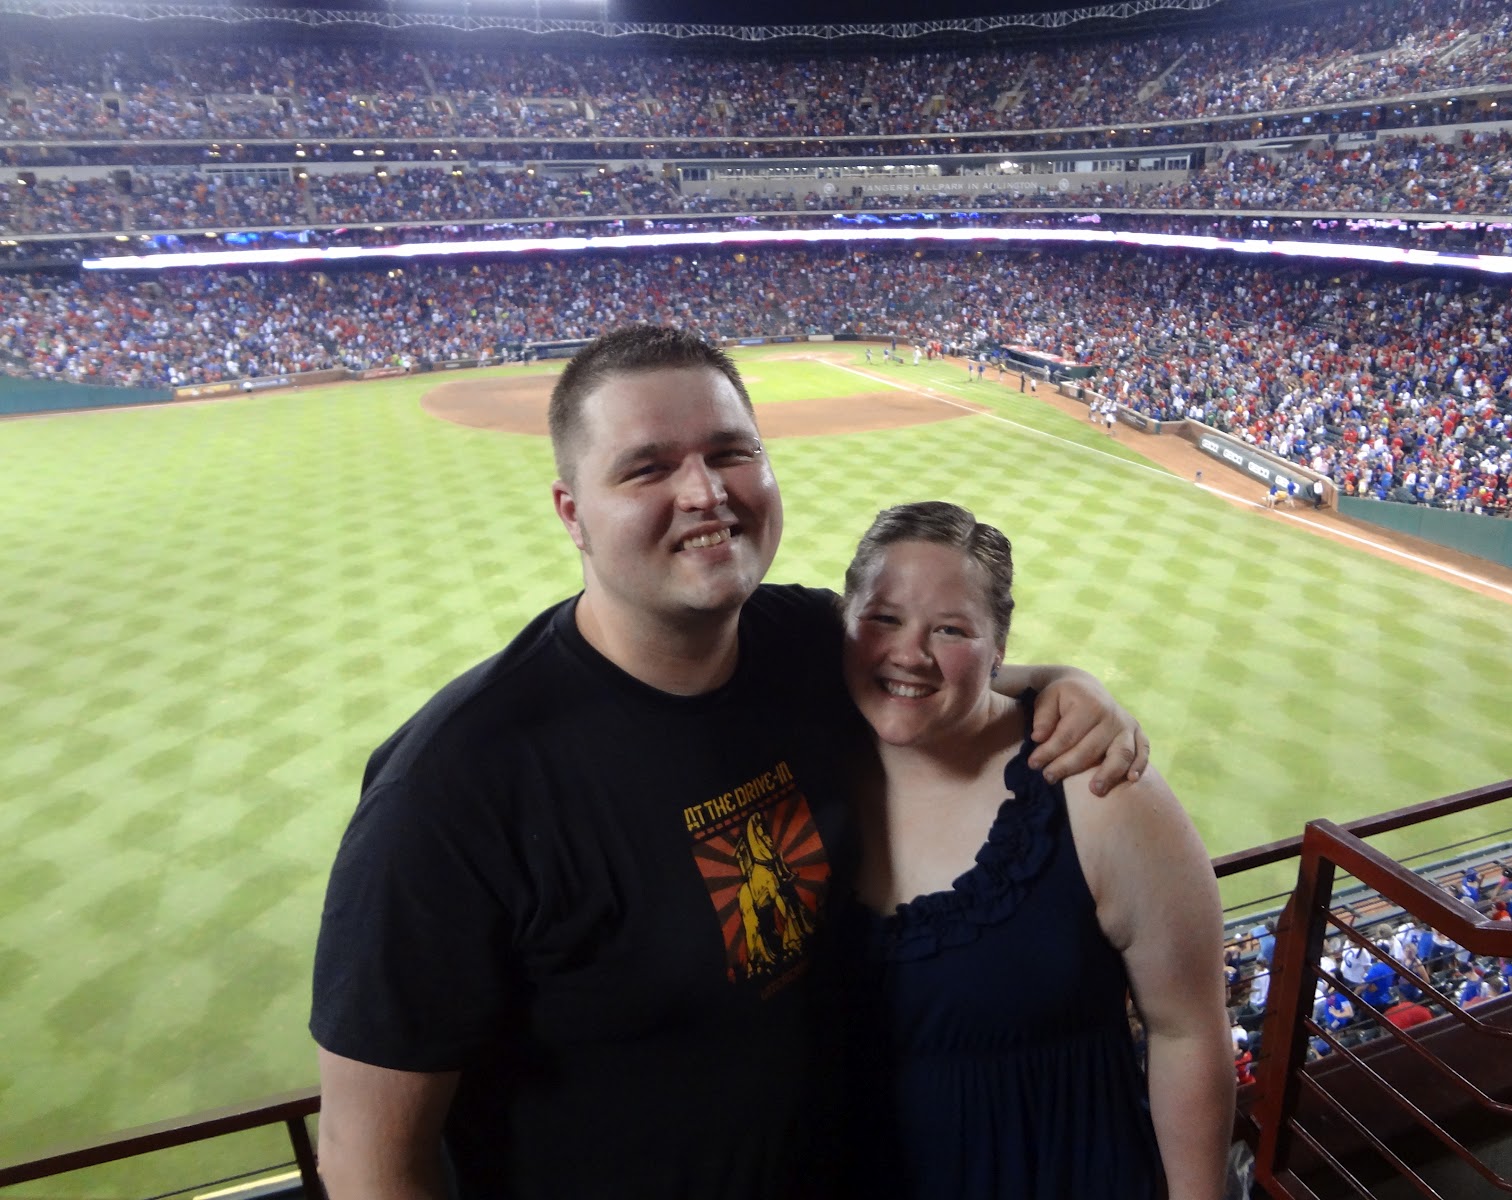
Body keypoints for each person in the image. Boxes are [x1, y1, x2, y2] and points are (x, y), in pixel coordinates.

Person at [310, 328, 1149, 1200]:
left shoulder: (806, 643)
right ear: (571, 512)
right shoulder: (448, 792)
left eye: (730, 453)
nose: (705, 492)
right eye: (647, 468)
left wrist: (1064, 682)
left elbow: (936, 681)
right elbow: (368, 1161)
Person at [828, 502, 1232, 1200]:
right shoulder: (798, 762)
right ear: (846, 620)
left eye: (951, 629)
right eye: (885, 618)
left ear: (999, 648)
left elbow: (1187, 1032)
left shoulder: (1100, 789)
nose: (910, 652)